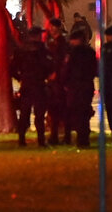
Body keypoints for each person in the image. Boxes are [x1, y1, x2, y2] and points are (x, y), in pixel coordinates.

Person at [11, 26, 54, 147]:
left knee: (24, 114)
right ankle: (41, 141)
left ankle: (22, 140)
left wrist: (21, 78)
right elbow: (50, 66)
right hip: (38, 85)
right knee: (39, 115)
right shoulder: (42, 50)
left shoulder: (21, 50)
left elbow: (13, 68)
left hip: (26, 86)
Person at [64, 29, 98, 148]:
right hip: (87, 86)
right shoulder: (91, 53)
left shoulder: (73, 53)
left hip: (75, 87)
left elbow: (67, 70)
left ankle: (79, 138)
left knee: (75, 112)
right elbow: (95, 70)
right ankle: (84, 139)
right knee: (84, 113)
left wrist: (65, 83)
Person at [45, 17, 69, 145]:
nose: (51, 30)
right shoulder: (52, 42)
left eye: (53, 28)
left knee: (58, 109)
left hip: (58, 82)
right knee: (54, 109)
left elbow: (61, 62)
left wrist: (56, 74)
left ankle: (60, 136)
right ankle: (55, 135)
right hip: (53, 81)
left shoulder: (61, 44)